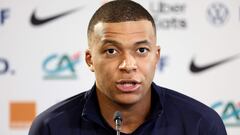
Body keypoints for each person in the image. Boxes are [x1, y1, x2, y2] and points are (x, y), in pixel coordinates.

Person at [28, 0, 227, 135]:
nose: (128, 65)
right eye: (112, 51)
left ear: (156, 56)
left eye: (141, 50)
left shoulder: (201, 125)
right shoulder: (51, 127)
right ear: (90, 59)